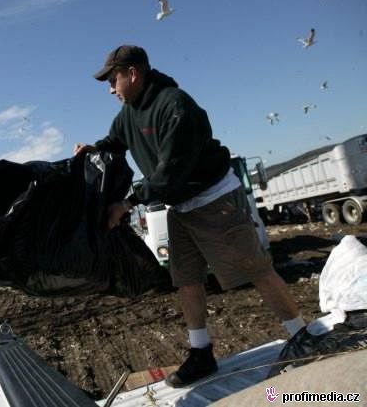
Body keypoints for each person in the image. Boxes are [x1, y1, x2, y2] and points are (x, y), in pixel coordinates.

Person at [74, 45, 305, 388]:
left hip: (214, 199)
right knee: (186, 279)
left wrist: (128, 202)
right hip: (181, 207)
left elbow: (171, 172)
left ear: (133, 73)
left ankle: (302, 337)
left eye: (113, 79)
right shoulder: (128, 113)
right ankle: (201, 353)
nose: (110, 88)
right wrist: (95, 149)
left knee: (255, 269)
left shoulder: (175, 105)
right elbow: (115, 140)